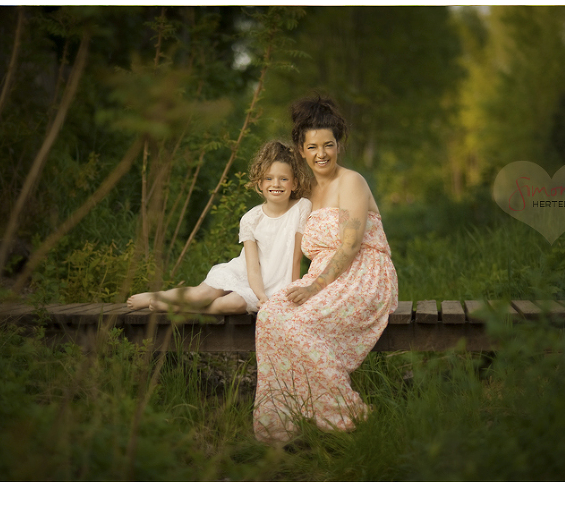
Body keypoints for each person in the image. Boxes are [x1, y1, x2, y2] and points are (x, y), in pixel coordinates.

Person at [253, 96, 399, 444]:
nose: (322, 153)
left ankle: (346, 412)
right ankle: (282, 427)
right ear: (301, 150)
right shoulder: (305, 191)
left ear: (338, 145)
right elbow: (272, 227)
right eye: (313, 146)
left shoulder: (352, 182)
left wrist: (313, 288)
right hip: (322, 278)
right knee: (270, 315)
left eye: (329, 145)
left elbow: (349, 246)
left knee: (296, 322)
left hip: (364, 274)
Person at [127, 140, 312, 314]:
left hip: (276, 285)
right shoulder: (251, 219)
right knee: (201, 295)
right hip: (246, 276)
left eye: (283, 179)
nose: (276, 184)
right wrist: (261, 295)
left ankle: (183, 309)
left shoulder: (301, 208)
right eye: (269, 178)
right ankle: (157, 296)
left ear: (294, 182)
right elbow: (252, 267)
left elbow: (296, 259)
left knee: (234, 304)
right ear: (260, 183)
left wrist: (291, 293)